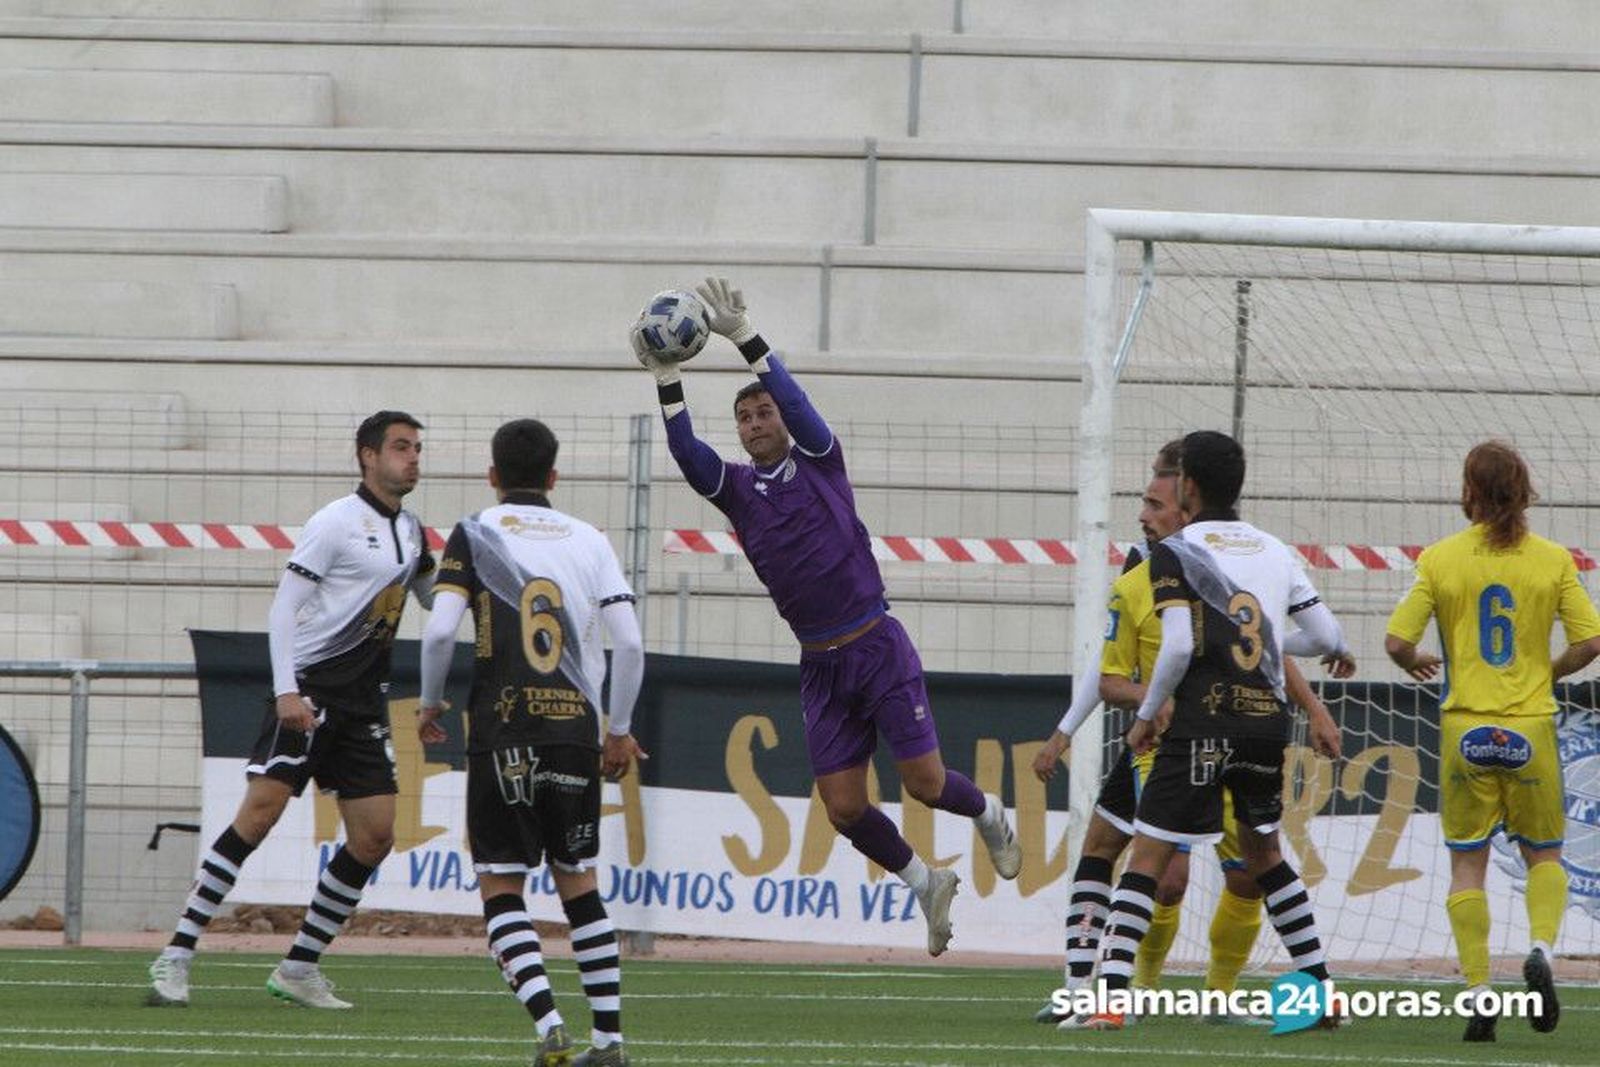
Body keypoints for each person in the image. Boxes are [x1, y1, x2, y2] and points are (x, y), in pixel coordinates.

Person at [633, 276, 1021, 956]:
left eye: (764, 413)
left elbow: (799, 402)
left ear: (781, 418)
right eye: (746, 418)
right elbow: (690, 458)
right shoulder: (739, 491)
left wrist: (745, 339)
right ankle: (925, 881)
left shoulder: (819, 460)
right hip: (820, 662)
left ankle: (990, 813)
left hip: (876, 643)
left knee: (926, 785)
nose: (757, 423)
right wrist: (668, 378)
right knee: (843, 808)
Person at [1032, 441, 1343, 1026]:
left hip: (1198, 728)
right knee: (1255, 859)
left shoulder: (1180, 557)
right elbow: (1318, 637)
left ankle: (1118, 1001)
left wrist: (1150, 711)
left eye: (1155, 500)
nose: (1145, 514)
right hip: (1261, 726)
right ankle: (1319, 994)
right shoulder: (1262, 553)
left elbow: (1176, 646)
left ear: (1187, 495)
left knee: (1158, 862)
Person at [148, 410, 436, 1009]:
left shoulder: (413, 532)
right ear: (367, 455)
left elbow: (434, 598)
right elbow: (284, 610)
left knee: (376, 836)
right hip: (310, 692)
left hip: (363, 705)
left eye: (416, 448)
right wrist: (286, 692)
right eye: (401, 447)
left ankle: (299, 967)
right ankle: (175, 955)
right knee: (259, 815)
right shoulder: (335, 523)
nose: (413, 458)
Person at [416, 418, 646, 1067]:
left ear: (492, 476)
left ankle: (548, 1021)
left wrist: (431, 703)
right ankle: (610, 1040)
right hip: (574, 729)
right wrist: (619, 729)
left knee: (501, 884)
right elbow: (629, 643)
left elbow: (438, 635)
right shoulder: (590, 539)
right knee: (578, 880)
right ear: (553, 475)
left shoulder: (476, 532)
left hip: (503, 729)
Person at [1385, 440, 1600, 1042]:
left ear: (1469, 491)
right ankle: (1541, 950)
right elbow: (1591, 641)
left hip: (1465, 728)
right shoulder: (1554, 560)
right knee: (1545, 855)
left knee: (1467, 865)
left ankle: (1479, 993)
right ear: (1524, 490)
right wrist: (1546, 672)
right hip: (1529, 724)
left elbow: (1397, 643)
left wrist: (1422, 661)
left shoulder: (1440, 559)